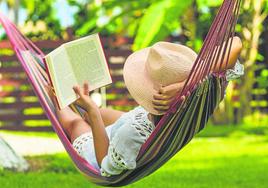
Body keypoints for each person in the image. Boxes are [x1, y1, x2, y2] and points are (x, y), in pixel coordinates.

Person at [46, 36, 243, 177]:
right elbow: (236, 42)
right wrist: (187, 84)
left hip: (108, 146)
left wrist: (92, 111)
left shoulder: (130, 137)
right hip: (138, 120)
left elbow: (105, 164)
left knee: (76, 124)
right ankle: (83, 105)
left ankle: (57, 95)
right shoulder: (202, 94)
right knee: (95, 114)